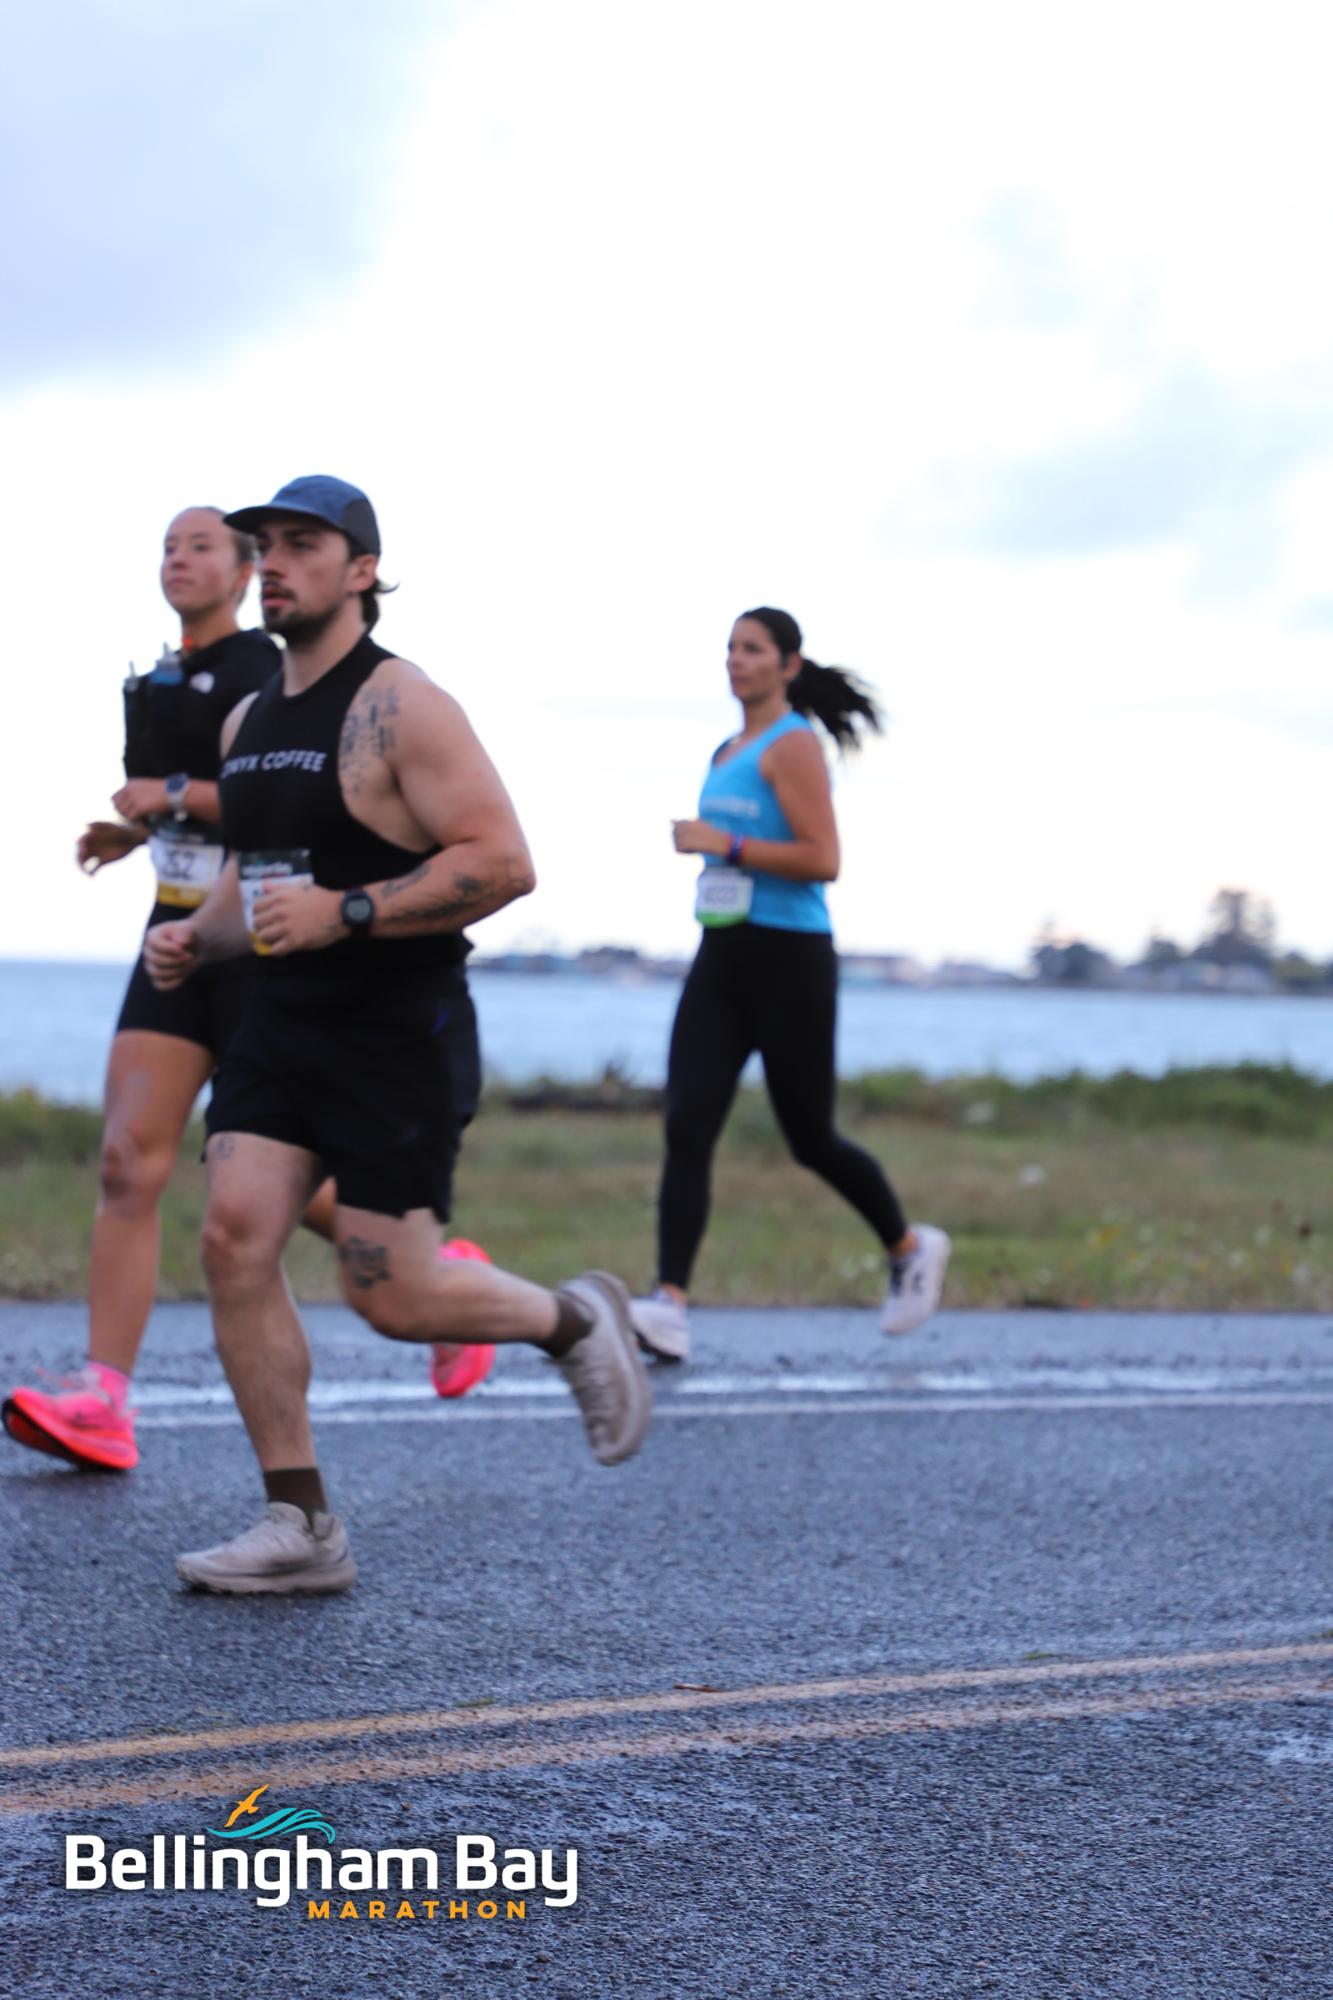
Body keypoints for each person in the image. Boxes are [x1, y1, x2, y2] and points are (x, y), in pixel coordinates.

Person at [144, 475, 650, 1594]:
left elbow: (502, 862)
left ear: (362, 569)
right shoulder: (246, 720)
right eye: (266, 546)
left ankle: (571, 1319)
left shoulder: (404, 704)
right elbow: (255, 879)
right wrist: (199, 939)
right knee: (233, 1238)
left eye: (302, 545)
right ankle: (301, 1522)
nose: (274, 564)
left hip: (395, 1030)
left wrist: (349, 911)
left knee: (395, 1296)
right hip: (281, 1024)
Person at [2, 509, 280, 1472]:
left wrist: (168, 797)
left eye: (201, 545)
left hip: (254, 938)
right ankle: (102, 1401)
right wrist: (133, 832)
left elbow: (272, 798)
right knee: (127, 1161)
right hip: (171, 930)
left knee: (282, 1175)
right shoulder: (155, 678)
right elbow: (173, 797)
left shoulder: (261, 668)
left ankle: (427, 1265)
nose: (179, 559)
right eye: (168, 545)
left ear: (244, 574)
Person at [632, 606, 951, 1363]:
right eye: (730, 648)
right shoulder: (726, 750)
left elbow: (822, 858)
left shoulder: (793, 744)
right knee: (687, 1125)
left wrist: (725, 842)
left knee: (810, 1138)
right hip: (721, 955)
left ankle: (909, 1248)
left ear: (788, 665)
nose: (736, 660)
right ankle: (669, 1304)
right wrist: (711, 851)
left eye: (752, 649)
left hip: (791, 959)